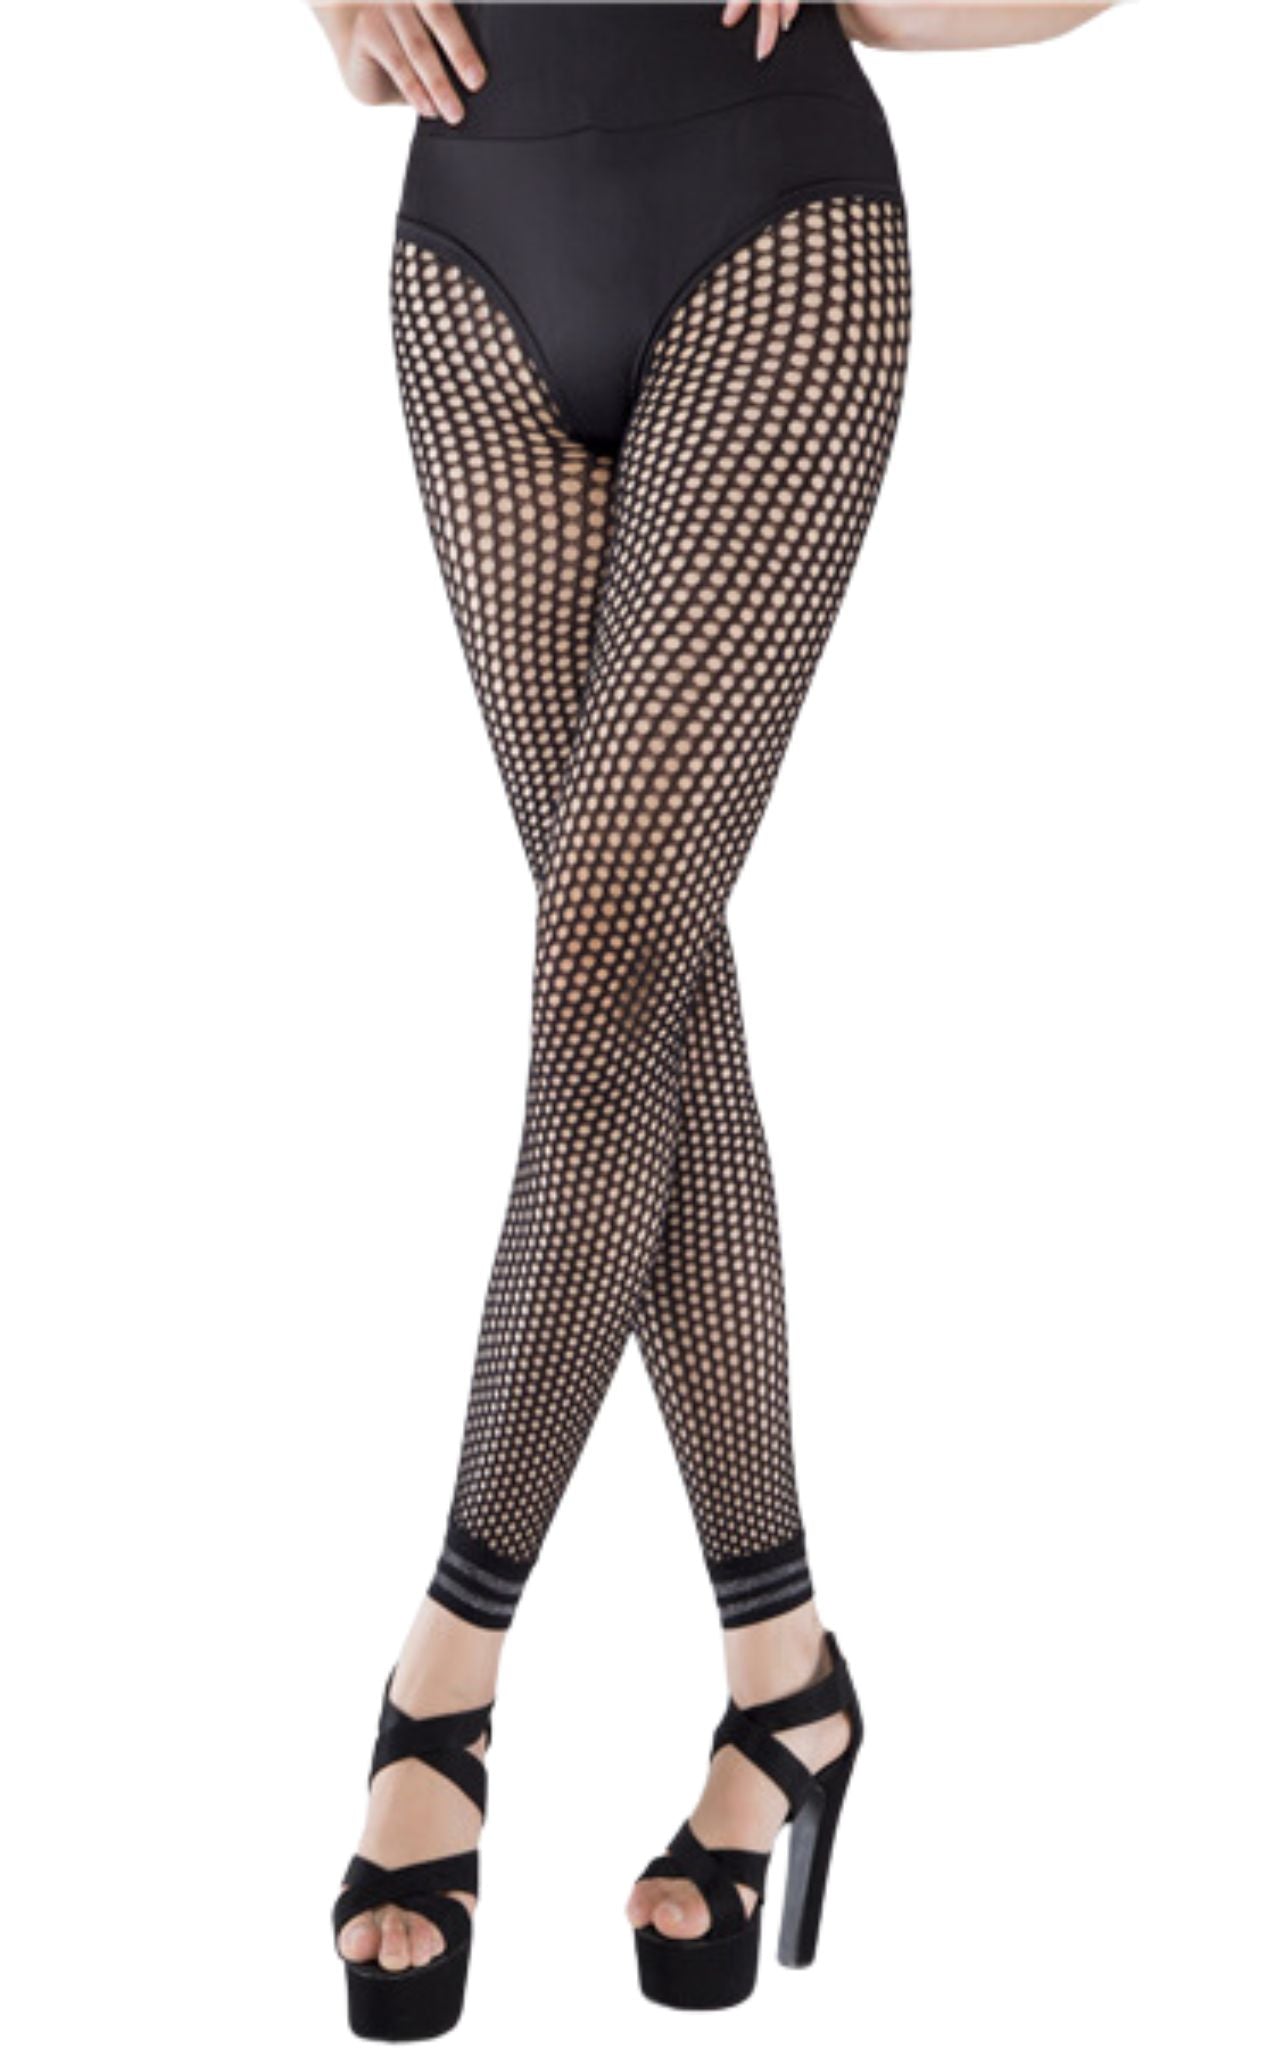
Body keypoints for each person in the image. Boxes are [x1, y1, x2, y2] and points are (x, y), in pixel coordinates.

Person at [312, 3, 1117, 2034]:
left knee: (605, 965)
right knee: (647, 986)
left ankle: (445, 1668)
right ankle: (787, 1682)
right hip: (469, 256)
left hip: (774, 244)